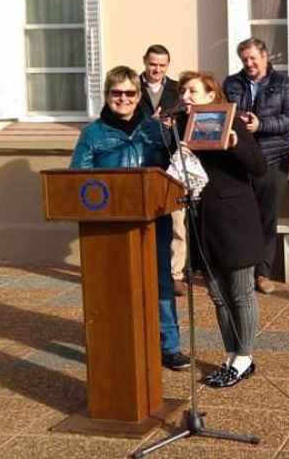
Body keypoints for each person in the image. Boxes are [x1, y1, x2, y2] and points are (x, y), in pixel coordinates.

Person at [70, 65, 189, 371]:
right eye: (116, 93)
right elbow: (77, 179)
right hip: (109, 227)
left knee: (162, 282)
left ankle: (170, 345)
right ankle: (114, 342)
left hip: (153, 223)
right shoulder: (92, 133)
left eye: (130, 93)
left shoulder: (156, 130)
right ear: (107, 95)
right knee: (112, 286)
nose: (123, 98)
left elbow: (173, 171)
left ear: (139, 96)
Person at [179, 71, 268, 388]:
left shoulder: (231, 121)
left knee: (240, 293)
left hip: (234, 219)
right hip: (202, 221)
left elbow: (259, 166)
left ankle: (245, 357)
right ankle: (231, 354)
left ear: (210, 95)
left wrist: (234, 145)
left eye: (192, 91)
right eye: (183, 91)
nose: (185, 96)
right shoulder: (181, 126)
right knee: (217, 295)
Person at [223, 37, 289, 294]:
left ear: (265, 57)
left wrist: (261, 125)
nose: (249, 63)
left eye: (253, 58)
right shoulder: (232, 83)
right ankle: (243, 269)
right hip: (241, 159)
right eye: (244, 59)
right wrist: (239, 122)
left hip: (273, 159)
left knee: (266, 217)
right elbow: (223, 114)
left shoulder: (283, 84)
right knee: (243, 217)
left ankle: (263, 273)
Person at [138, 44, 189, 297]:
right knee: (143, 221)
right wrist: (151, 123)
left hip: (171, 162)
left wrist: (172, 124)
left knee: (177, 221)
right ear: (145, 62)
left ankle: (175, 274)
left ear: (167, 65)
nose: (156, 69)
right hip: (143, 162)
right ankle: (144, 270)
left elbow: (188, 118)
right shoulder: (131, 87)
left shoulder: (178, 89)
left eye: (162, 65)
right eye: (152, 64)